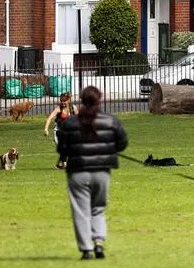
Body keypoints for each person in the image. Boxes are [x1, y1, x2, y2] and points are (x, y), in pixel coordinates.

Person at [56, 86, 128, 261]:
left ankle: (86, 249)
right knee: (98, 208)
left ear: (82, 100)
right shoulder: (111, 121)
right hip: (102, 171)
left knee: (81, 211)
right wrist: (110, 150)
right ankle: (99, 243)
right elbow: (122, 143)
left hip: (78, 171)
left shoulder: (70, 123)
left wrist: (65, 156)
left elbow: (62, 148)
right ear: (99, 99)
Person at [44, 91, 77, 169]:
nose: (62, 102)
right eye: (61, 100)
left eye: (64, 100)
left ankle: (60, 165)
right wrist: (46, 129)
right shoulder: (58, 109)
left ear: (69, 99)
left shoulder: (73, 108)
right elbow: (49, 118)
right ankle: (63, 164)